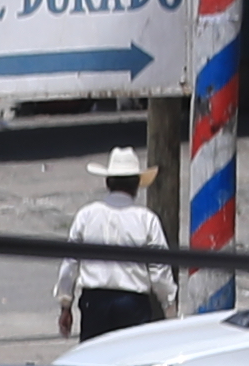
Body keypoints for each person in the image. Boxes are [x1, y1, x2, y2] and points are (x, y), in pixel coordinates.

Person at [57, 143, 170, 340]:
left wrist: (65, 305)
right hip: (132, 304)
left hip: (95, 303)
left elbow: (70, 264)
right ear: (136, 185)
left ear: (108, 182)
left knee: (94, 356)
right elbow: (160, 270)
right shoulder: (146, 219)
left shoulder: (86, 215)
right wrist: (169, 306)